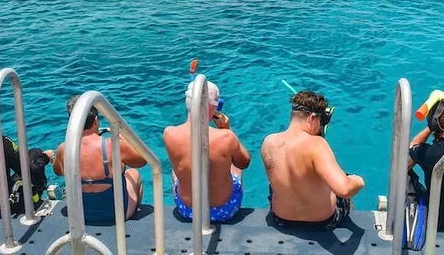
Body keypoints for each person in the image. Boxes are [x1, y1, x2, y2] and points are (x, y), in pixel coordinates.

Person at [261, 90, 364, 230]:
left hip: (280, 219)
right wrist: (358, 181)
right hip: (322, 222)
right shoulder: (316, 144)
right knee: (346, 182)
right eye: (321, 121)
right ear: (312, 118)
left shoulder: (269, 141)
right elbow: (344, 189)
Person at [163, 81, 251, 222]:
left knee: (175, 171)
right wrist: (226, 130)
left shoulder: (169, 134)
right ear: (210, 106)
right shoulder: (226, 137)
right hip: (225, 210)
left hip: (187, 210)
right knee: (236, 167)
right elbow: (244, 163)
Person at [53, 96, 146, 222]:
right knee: (133, 174)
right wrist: (122, 137)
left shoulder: (64, 149)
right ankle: (128, 220)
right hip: (115, 215)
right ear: (96, 121)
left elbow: (58, 171)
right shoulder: (113, 145)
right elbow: (142, 160)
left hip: (79, 215)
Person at [408, 90, 444, 231]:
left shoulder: (428, 152)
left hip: (436, 222)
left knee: (406, 174)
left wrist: (430, 127)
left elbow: (410, 148)